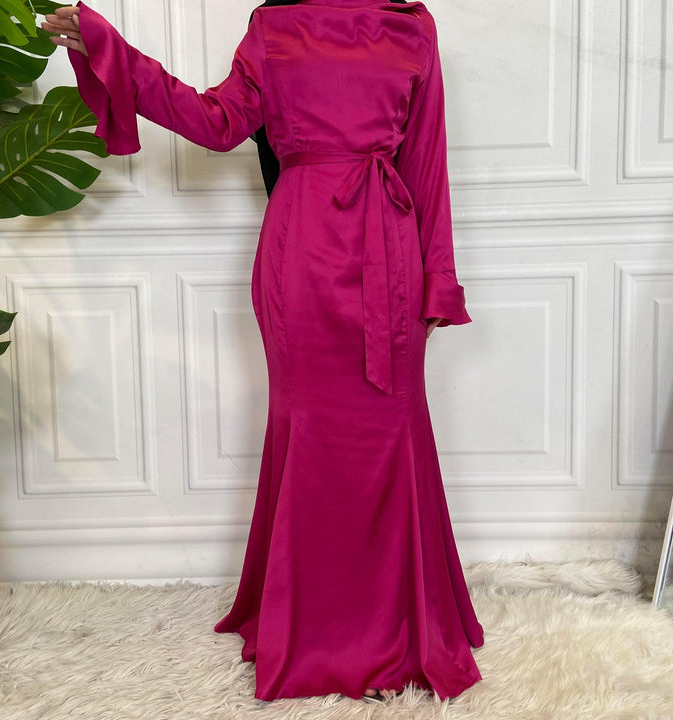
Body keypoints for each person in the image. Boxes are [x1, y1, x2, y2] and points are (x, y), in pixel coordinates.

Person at [44, 0, 484, 703]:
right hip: (300, 257)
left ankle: (397, 625)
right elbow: (217, 122)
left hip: (389, 257)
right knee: (309, 433)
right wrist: (110, 50)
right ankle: (315, 629)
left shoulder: (412, 25)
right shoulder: (274, 26)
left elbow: (427, 163)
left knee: (388, 433)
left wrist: (438, 284)